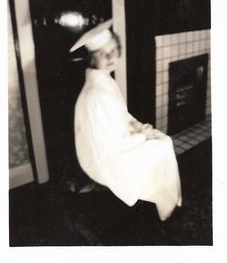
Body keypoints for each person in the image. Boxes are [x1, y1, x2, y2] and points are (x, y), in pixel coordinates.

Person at [70, 18, 182, 221]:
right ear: (92, 58)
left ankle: (164, 198)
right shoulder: (97, 94)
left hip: (116, 142)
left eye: (113, 50)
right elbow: (114, 144)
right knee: (163, 145)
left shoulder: (103, 79)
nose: (111, 57)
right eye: (103, 54)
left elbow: (121, 115)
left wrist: (138, 126)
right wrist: (142, 136)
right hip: (105, 157)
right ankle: (162, 202)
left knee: (161, 141)